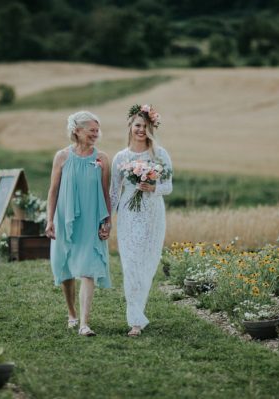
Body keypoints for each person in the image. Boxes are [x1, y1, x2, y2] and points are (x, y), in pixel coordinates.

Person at [45, 110, 112, 337]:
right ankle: (71, 313)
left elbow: (106, 193)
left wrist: (108, 221)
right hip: (64, 218)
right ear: (77, 130)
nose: (96, 134)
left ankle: (84, 323)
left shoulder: (102, 158)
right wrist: (49, 220)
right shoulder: (61, 157)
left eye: (97, 130)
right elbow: (53, 191)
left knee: (88, 269)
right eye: (92, 130)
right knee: (64, 267)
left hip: (91, 220)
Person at [110, 104, 173, 337]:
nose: (141, 130)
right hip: (128, 215)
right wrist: (107, 217)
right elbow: (114, 192)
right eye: (137, 125)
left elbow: (168, 186)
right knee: (130, 265)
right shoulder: (121, 157)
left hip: (152, 215)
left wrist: (152, 187)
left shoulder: (160, 154)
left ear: (150, 129)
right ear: (130, 126)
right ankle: (135, 320)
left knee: (146, 265)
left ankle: (139, 309)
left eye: (145, 127)